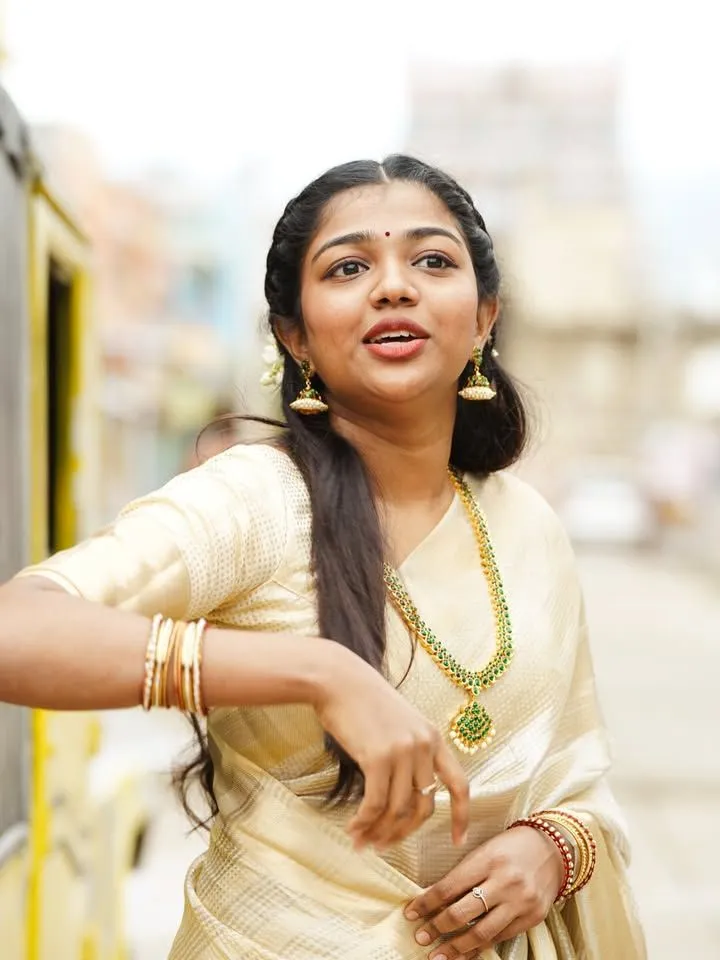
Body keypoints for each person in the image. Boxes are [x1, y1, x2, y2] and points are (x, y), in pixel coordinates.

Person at [0, 156, 646, 960]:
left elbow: (577, 773)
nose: (394, 287)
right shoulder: (252, 502)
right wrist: (316, 672)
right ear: (294, 334)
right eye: (348, 267)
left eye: (432, 260)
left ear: (484, 317)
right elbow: (16, 631)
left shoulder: (528, 527)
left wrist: (555, 850)